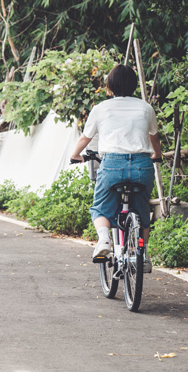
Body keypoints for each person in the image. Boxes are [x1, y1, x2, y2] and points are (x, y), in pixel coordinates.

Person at [69, 64, 162, 263]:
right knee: (141, 209)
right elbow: (154, 136)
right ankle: (143, 256)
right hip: (142, 166)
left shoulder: (101, 108)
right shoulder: (146, 108)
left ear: (110, 86)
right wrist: (157, 155)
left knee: (101, 208)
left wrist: (75, 155)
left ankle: (104, 240)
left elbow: (85, 138)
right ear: (134, 85)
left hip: (112, 165)